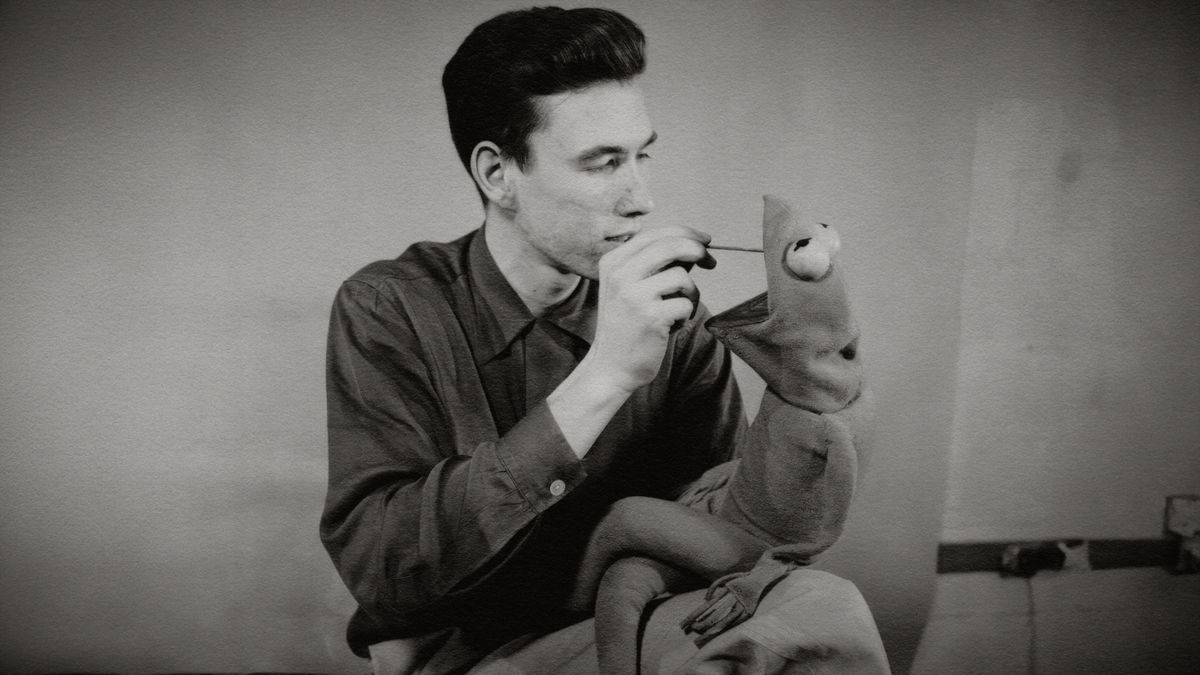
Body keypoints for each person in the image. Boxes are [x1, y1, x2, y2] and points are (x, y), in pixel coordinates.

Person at [320, 7, 890, 673]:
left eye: (641, 155)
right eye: (602, 163)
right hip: (463, 650)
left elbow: (722, 522)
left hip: (632, 616)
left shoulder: (670, 319)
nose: (641, 197)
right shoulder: (391, 306)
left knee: (819, 611)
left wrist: (809, 357)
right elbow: (382, 571)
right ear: (498, 175)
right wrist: (607, 373)